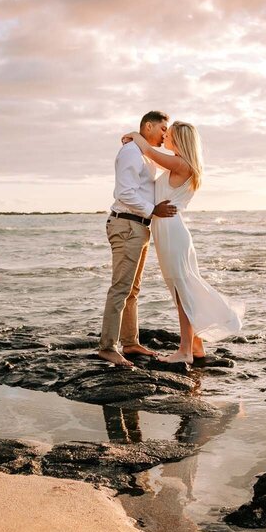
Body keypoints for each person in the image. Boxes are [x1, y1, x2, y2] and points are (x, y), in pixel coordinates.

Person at [122, 121, 244, 364]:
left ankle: (185, 351)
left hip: (172, 232)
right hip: (168, 230)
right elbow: (150, 157)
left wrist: (135, 135)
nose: (165, 136)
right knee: (181, 290)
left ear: (179, 140)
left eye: (169, 134)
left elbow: (147, 151)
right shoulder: (179, 163)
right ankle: (196, 347)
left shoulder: (181, 164)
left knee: (181, 292)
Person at [97, 111, 178, 367]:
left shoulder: (142, 152)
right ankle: (108, 347)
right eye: (163, 128)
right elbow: (125, 192)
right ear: (149, 126)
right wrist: (153, 210)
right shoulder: (131, 152)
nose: (166, 134)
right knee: (121, 287)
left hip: (139, 227)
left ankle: (130, 342)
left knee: (132, 289)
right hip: (127, 224)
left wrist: (135, 136)